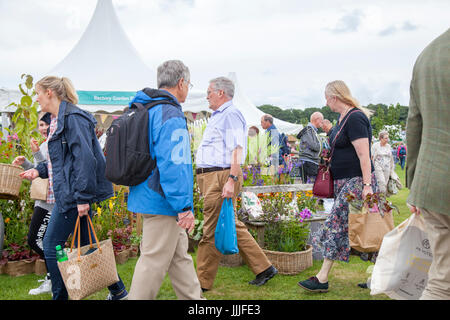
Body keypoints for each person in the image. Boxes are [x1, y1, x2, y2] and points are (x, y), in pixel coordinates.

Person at [20, 76, 128, 300]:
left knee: (51, 245)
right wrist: (38, 171)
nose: (36, 97)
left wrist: (82, 198)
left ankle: (61, 297)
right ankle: (118, 292)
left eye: (38, 92)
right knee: (88, 244)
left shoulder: (73, 118)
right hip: (69, 192)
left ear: (50, 92)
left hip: (73, 194)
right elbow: (63, 161)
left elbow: (84, 161)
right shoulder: (58, 119)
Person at [126, 60, 204, 300]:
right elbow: (175, 166)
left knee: (179, 257)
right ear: (181, 83)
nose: (188, 88)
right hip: (164, 201)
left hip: (146, 194)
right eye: (189, 83)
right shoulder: (170, 113)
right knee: (152, 262)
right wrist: (183, 207)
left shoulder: (146, 109)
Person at [195, 76, 277, 291]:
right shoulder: (219, 115)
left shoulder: (230, 114)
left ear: (221, 93)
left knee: (210, 231)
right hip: (213, 177)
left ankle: (200, 284)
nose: (206, 96)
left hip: (221, 176)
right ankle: (264, 268)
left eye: (209, 92)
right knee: (230, 223)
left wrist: (231, 179)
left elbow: (238, 150)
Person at [298, 80, 377, 293]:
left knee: (336, 223)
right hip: (344, 181)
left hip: (358, 181)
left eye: (326, 97)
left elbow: (364, 154)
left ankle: (322, 278)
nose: (325, 103)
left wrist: (367, 184)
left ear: (335, 96)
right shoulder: (342, 119)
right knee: (361, 227)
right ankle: (383, 273)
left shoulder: (355, 118)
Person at [406, 28, 450, 300]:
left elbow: (414, 124)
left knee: (442, 280)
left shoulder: (428, 54)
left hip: (433, 184)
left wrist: (413, 183)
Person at [12, 114, 54, 295]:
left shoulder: (54, 143)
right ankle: (55, 276)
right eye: (41, 124)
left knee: (36, 240)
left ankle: (56, 275)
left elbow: (49, 170)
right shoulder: (45, 144)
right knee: (49, 242)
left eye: (46, 124)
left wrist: (36, 153)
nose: (43, 128)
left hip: (51, 201)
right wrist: (25, 164)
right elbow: (40, 171)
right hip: (42, 198)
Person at [296, 112, 324, 183]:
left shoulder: (311, 131)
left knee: (309, 186)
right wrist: (322, 146)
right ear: (317, 119)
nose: (322, 122)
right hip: (308, 162)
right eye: (321, 120)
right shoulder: (308, 130)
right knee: (310, 187)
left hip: (309, 161)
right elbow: (313, 146)